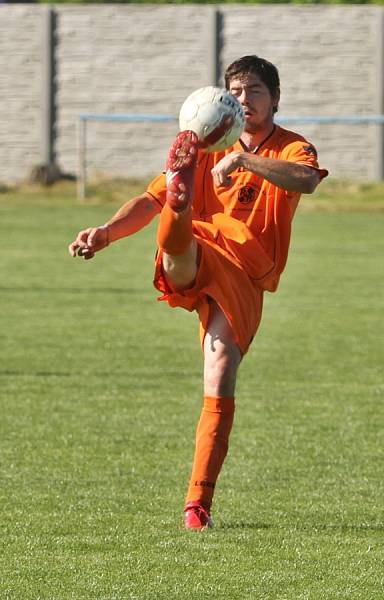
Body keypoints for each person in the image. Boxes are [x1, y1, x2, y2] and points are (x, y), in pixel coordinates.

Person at [68, 55, 327, 530]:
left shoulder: (292, 148)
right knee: (177, 239)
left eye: (255, 91)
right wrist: (105, 232)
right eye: (237, 90)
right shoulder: (205, 144)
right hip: (205, 246)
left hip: (247, 272)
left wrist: (245, 159)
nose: (245, 99)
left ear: (275, 99)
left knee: (221, 368)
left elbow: (307, 180)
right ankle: (180, 208)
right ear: (225, 98)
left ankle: (197, 504)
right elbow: (148, 200)